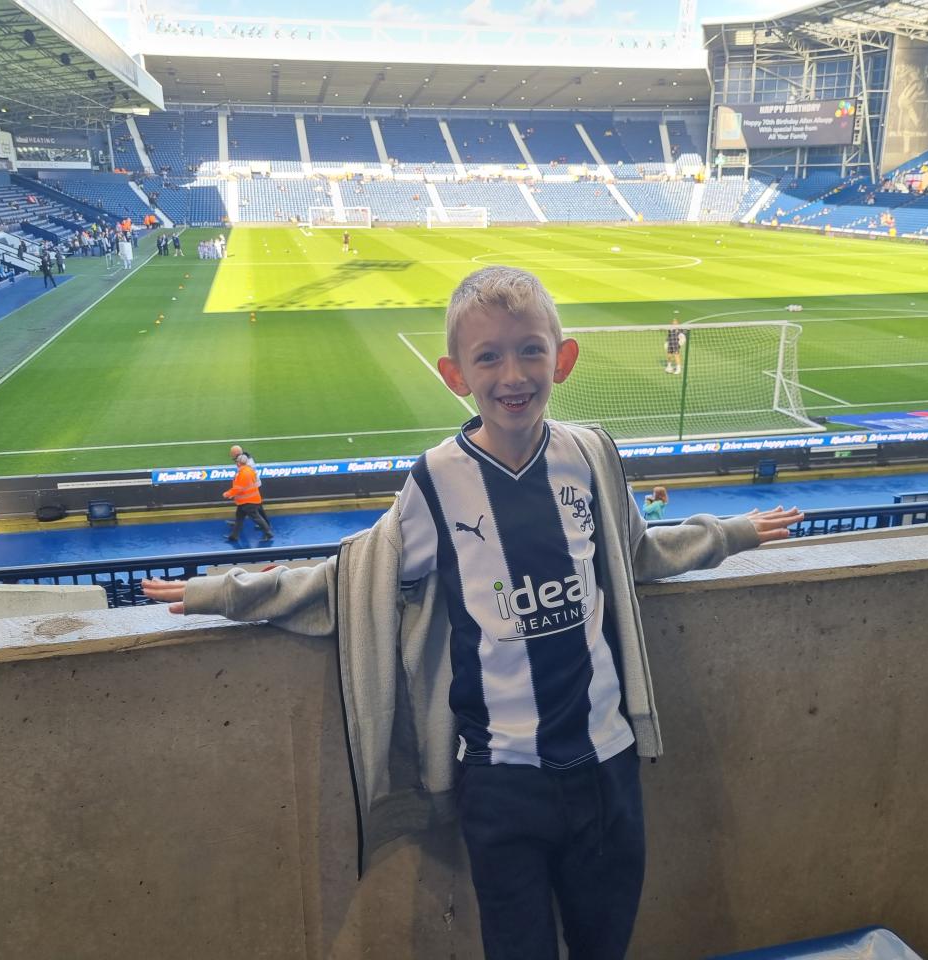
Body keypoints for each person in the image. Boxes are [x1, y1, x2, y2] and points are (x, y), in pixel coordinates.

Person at [142, 266, 801, 960]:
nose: (512, 374)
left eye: (530, 350)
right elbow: (354, 580)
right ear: (457, 375)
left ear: (564, 359)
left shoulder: (591, 456)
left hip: (608, 768)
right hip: (502, 785)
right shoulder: (434, 480)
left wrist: (732, 534)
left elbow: (634, 552)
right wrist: (226, 592)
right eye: (489, 356)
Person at [223, 453, 273, 542]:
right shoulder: (249, 470)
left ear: (239, 463)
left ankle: (268, 533)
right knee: (239, 518)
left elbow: (239, 488)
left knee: (256, 518)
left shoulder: (243, 473)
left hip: (248, 501)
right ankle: (233, 536)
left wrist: (228, 494)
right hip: (247, 501)